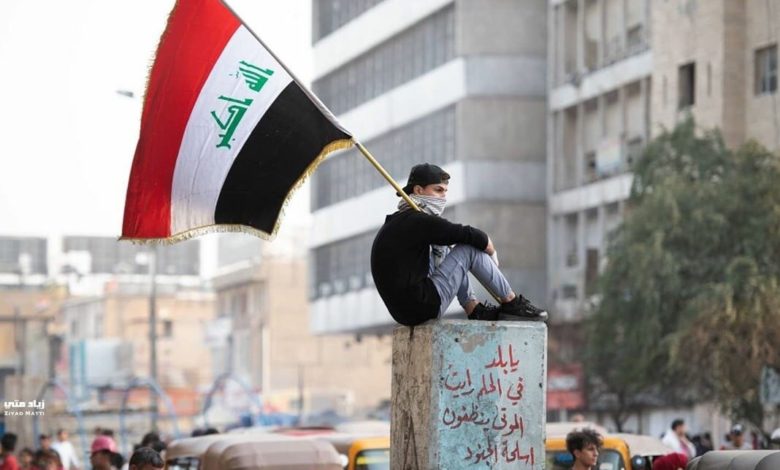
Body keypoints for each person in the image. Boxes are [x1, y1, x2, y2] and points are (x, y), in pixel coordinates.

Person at [370, 163, 547, 325]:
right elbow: (469, 235)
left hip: (406, 311)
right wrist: (490, 248)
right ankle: (512, 303)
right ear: (418, 190)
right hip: (422, 306)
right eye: (438, 190)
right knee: (468, 249)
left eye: (445, 192)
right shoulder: (417, 221)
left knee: (444, 247)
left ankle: (474, 310)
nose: (443, 197)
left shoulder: (398, 221)